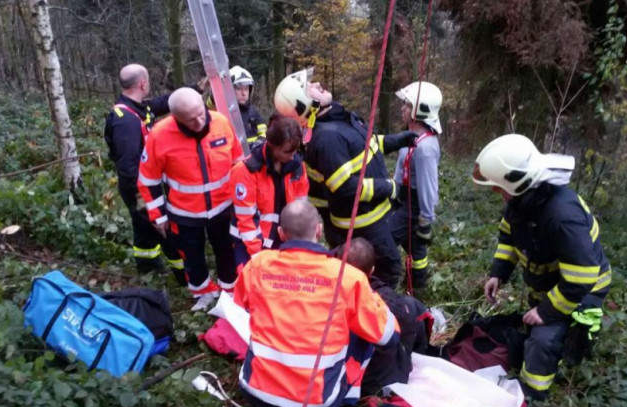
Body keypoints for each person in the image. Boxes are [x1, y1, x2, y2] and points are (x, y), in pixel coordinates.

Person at [234, 201, 400, 407]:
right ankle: (349, 399)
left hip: (256, 395)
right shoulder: (349, 278)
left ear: (282, 233)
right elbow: (387, 335)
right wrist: (372, 298)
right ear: (319, 230)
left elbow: (244, 304)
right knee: (364, 332)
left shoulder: (257, 264)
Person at [472, 134, 611, 400]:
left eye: (498, 186)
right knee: (533, 326)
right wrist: (498, 274)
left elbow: (582, 278)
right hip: (552, 282)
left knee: (542, 340)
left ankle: (532, 396)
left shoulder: (562, 216)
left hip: (582, 288)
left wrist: (546, 312)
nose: (495, 192)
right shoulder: (521, 202)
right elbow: (508, 238)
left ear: (517, 181)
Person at [273, 68, 418, 288]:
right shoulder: (327, 139)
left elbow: (366, 144)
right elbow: (347, 187)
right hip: (360, 222)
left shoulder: (338, 118)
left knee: (375, 268)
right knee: (387, 269)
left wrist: (397, 140)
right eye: (309, 86)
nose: (318, 84)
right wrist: (388, 187)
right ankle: (369, 311)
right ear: (304, 104)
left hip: (371, 215)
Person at [137, 87, 243, 311]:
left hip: (224, 207)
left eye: (201, 115)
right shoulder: (159, 135)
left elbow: (238, 163)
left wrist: (243, 203)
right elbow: (148, 179)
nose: (198, 123)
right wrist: (158, 216)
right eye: (190, 120)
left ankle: (229, 291)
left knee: (226, 251)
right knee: (192, 257)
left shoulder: (221, 122)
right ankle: (202, 292)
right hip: (184, 213)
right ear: (176, 118)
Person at [103, 63, 185, 284]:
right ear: (142, 83)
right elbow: (128, 167)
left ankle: (147, 266)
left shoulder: (136, 107)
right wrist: (145, 200)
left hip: (143, 185)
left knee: (141, 227)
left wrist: (194, 90)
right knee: (163, 227)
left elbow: (160, 104)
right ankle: (183, 274)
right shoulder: (126, 120)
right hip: (138, 188)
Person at [336, 237, 430, 395]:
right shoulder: (394, 306)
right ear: (372, 270)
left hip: (343, 385)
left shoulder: (324, 300)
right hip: (377, 385)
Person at [230, 114, 309, 271]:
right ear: (272, 145)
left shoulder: (297, 167)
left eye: (295, 150)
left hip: (285, 237)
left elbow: (301, 207)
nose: (293, 156)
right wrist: (258, 256)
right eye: (287, 151)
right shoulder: (246, 171)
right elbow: (247, 220)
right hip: (251, 242)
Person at [389, 81, 443, 296]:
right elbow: (400, 169)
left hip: (412, 207)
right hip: (402, 200)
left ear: (420, 111)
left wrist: (426, 220)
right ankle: (418, 286)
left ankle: (390, 283)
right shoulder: (411, 138)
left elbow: (429, 186)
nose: (403, 109)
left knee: (384, 240)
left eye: (408, 105)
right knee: (416, 248)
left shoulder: (425, 147)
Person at [206, 65, 267, 148]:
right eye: (239, 89)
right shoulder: (221, 110)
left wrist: (260, 141)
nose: (244, 93)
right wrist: (218, 91)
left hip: (252, 155)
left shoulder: (253, 111)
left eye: (246, 89)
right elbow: (208, 108)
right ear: (229, 89)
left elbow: (263, 131)